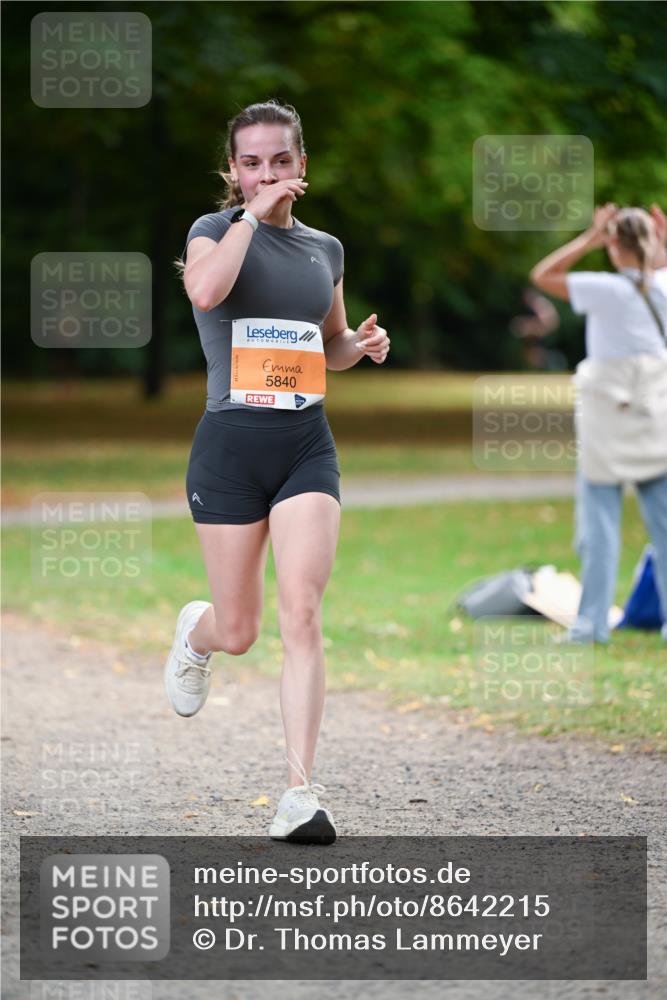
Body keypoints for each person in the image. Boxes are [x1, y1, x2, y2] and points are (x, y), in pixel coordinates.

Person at [164, 100, 390, 843]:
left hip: (304, 448)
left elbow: (327, 346)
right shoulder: (213, 231)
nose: (268, 172)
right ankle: (197, 635)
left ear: (302, 165)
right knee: (241, 631)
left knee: (301, 612)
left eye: (280, 160)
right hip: (229, 450)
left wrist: (360, 345)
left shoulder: (325, 248)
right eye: (252, 162)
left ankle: (300, 793)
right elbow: (205, 293)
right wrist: (249, 217)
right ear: (234, 171)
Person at [530, 203, 667, 644]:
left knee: (599, 526)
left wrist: (589, 237)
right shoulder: (663, 286)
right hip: (654, 419)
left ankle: (590, 626)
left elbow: (543, 275)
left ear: (613, 244)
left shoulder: (603, 289)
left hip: (607, 423)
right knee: (664, 526)